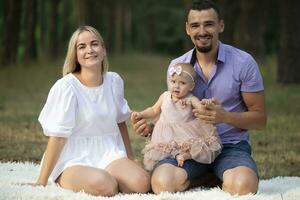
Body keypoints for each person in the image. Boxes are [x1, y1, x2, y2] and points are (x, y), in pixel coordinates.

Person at [131, 0, 267, 195]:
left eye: (208, 24)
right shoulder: (177, 67)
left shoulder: (243, 63)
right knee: (162, 183)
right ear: (187, 29)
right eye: (195, 25)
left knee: (243, 186)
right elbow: (173, 114)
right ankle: (209, 178)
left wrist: (225, 117)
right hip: (185, 150)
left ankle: (219, 175)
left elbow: (260, 119)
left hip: (230, 146)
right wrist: (151, 128)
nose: (202, 31)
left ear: (221, 25)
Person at [30, 26, 150, 196]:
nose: (89, 50)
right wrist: (41, 182)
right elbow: (57, 138)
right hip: (73, 158)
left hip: (109, 152)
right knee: (104, 185)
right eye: (82, 47)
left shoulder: (113, 82)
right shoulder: (67, 87)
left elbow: (119, 122)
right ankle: (66, 178)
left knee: (141, 183)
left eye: (94, 44)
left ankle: (111, 177)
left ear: (103, 50)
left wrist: (129, 158)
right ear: (76, 55)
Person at [132, 63, 222, 171]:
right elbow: (153, 110)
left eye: (182, 83)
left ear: (191, 86)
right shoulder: (165, 96)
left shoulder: (191, 98)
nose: (176, 86)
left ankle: (185, 156)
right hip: (165, 134)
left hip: (184, 133)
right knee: (161, 153)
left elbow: (202, 110)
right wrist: (141, 114)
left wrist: (206, 104)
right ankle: (167, 163)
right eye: (173, 81)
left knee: (196, 147)